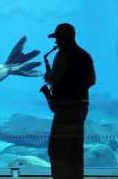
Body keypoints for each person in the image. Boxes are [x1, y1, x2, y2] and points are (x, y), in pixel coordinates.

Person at [44, 23, 96, 179]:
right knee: (74, 148)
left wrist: (52, 80)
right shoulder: (84, 55)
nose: (56, 42)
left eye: (58, 38)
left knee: (56, 148)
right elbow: (92, 80)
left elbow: (54, 78)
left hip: (67, 108)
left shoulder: (62, 56)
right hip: (80, 107)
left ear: (66, 38)